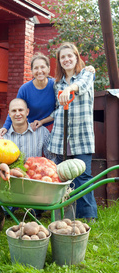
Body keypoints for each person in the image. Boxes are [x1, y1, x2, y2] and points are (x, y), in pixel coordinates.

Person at [38, 42, 97, 222]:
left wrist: (69, 89)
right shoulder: (57, 85)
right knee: (61, 176)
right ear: (59, 61)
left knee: (84, 176)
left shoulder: (87, 74)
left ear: (76, 57)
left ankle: (88, 216)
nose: (67, 59)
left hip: (82, 136)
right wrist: (42, 121)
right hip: (60, 138)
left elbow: (82, 85)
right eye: (62, 57)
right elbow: (58, 110)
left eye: (70, 55)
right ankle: (63, 213)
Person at [0, 98, 53, 218]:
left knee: (36, 212)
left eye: (20, 110)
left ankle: (33, 206)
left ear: (27, 112)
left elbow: (52, 159)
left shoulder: (41, 132)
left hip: (34, 184)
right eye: (14, 111)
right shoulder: (2, 137)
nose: (17, 114)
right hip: (9, 183)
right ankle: (8, 205)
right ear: (9, 114)